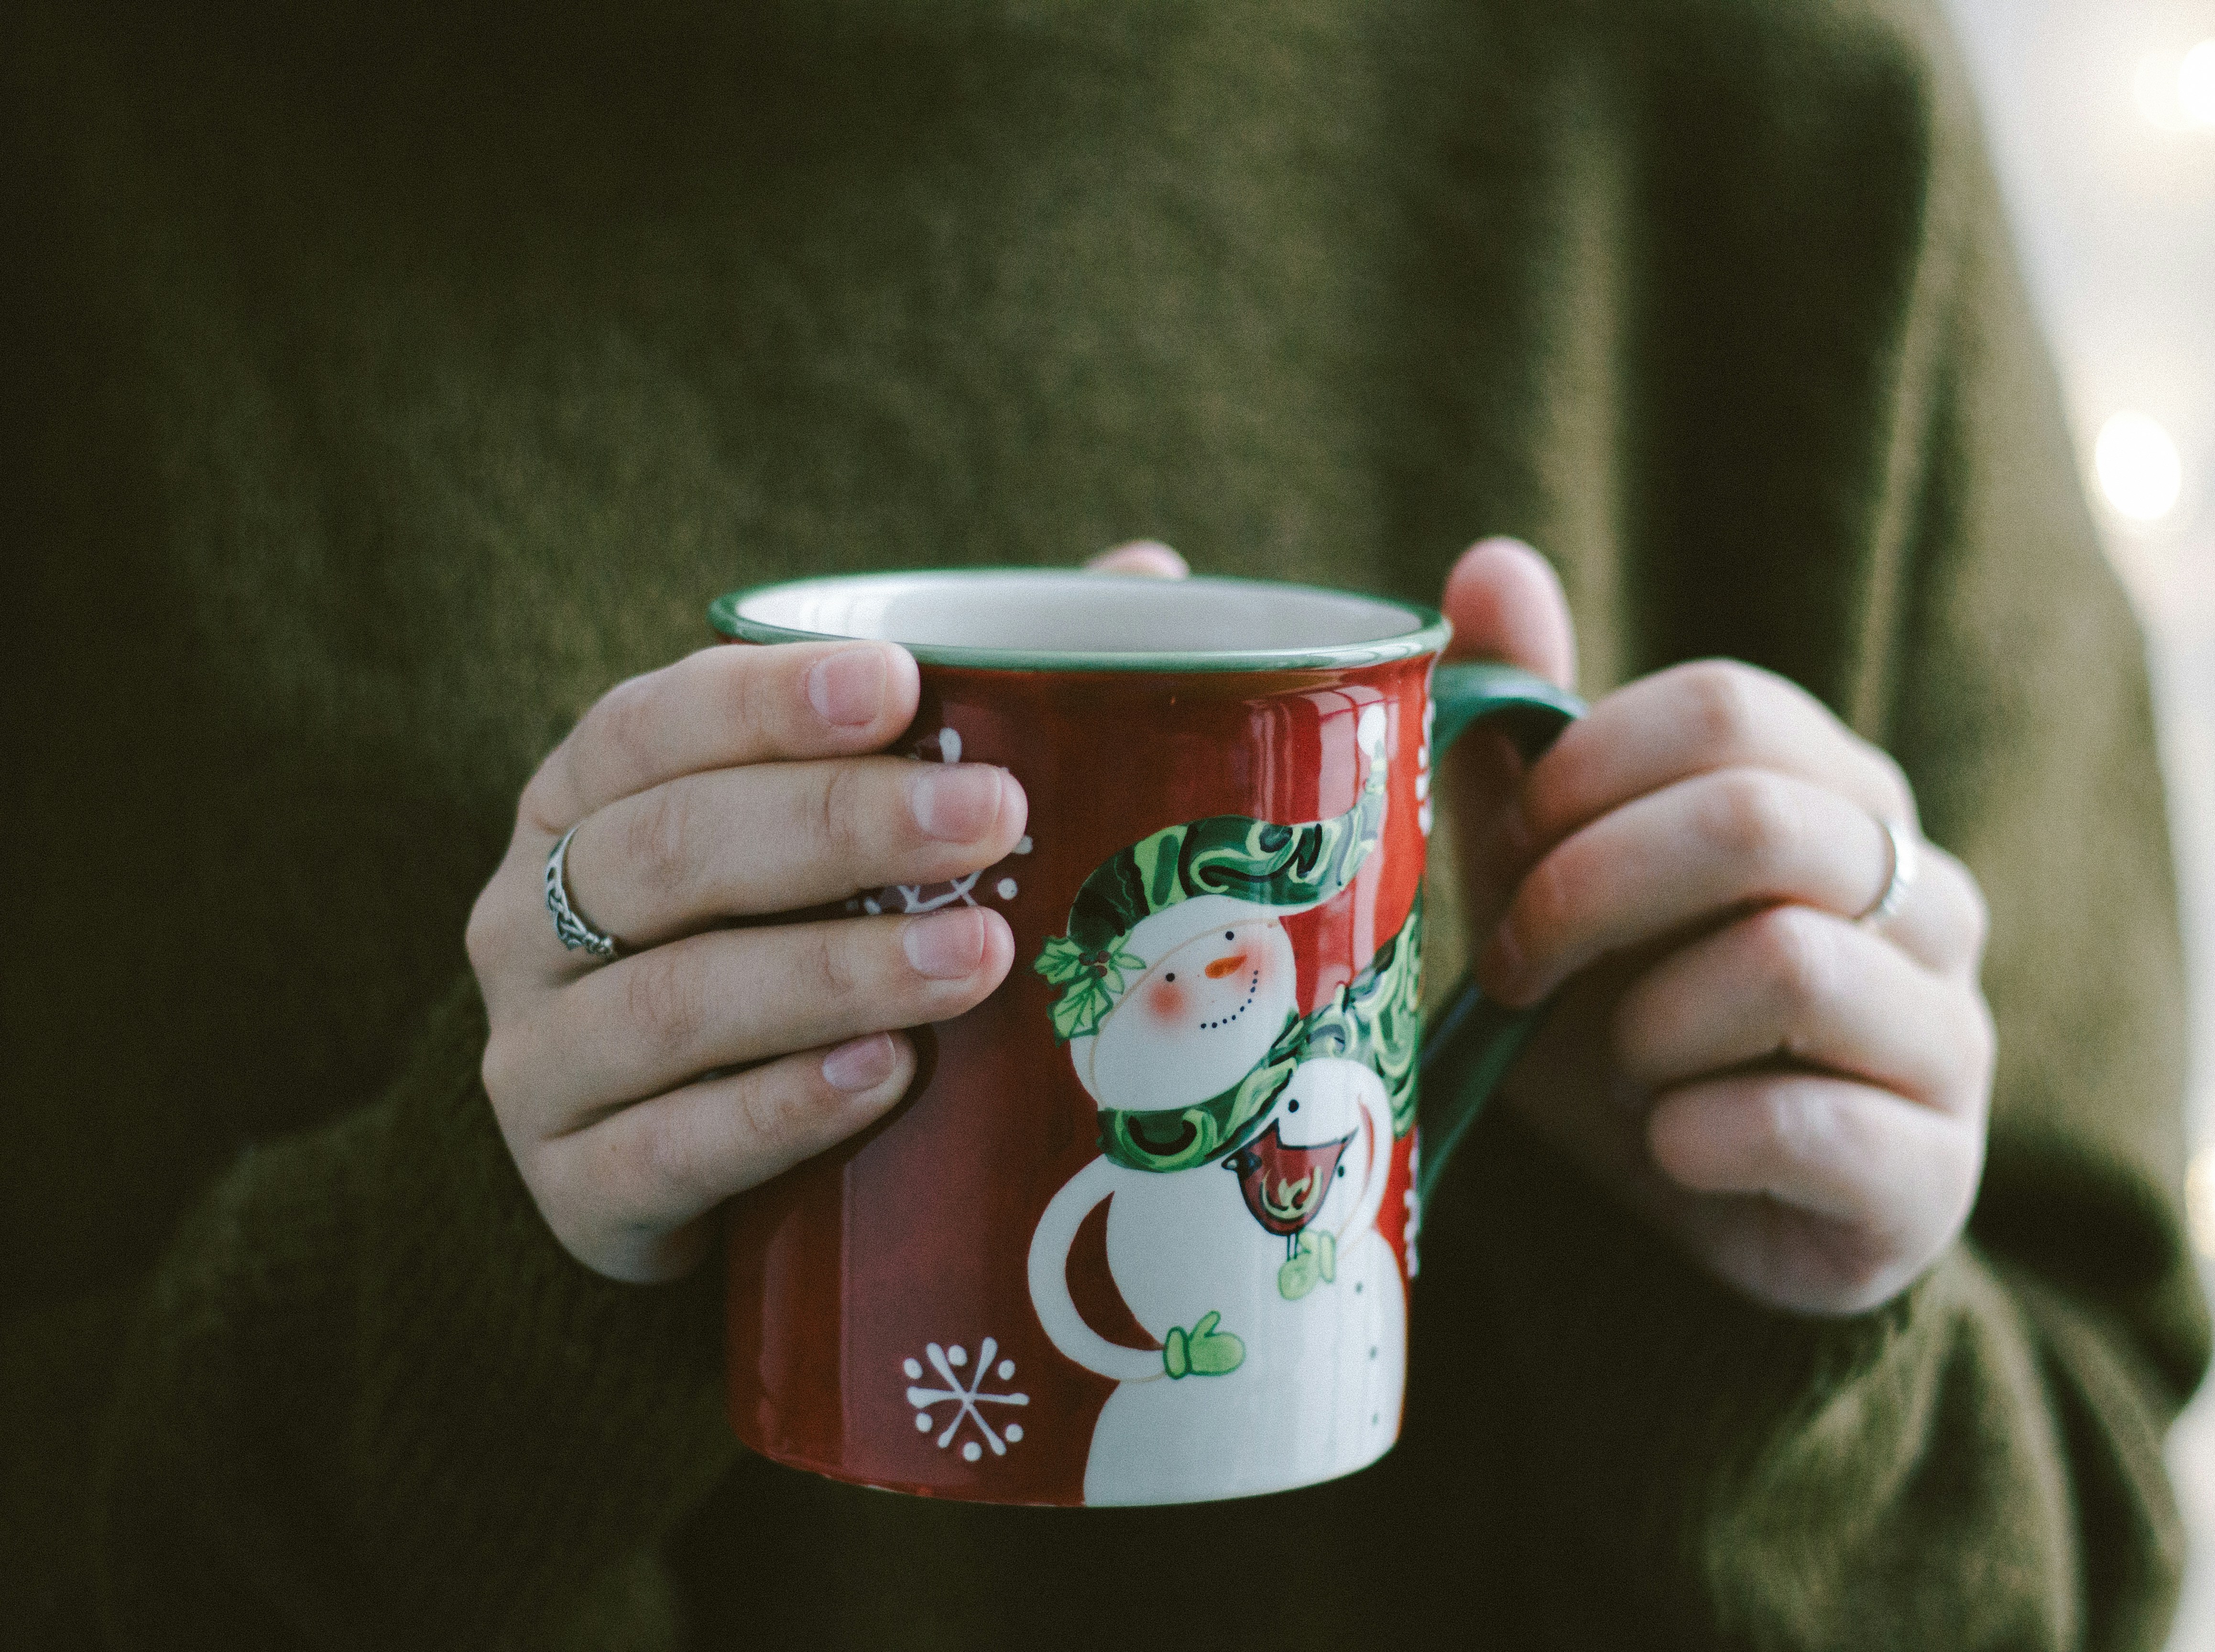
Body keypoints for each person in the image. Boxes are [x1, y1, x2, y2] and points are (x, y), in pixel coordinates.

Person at [3, 1, 2204, 1647]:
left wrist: (1790, 1347)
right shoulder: (92, 129)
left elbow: (2094, 1552)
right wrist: (462, 1307)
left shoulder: (1774, 97)